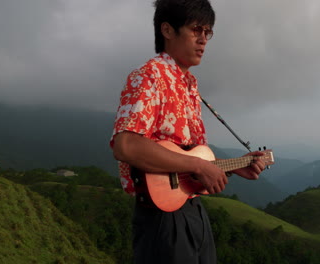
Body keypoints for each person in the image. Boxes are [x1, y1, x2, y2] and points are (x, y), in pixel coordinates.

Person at [110, 0, 266, 263]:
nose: (204, 40)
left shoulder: (190, 86)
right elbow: (126, 145)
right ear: (168, 30)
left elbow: (185, 160)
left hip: (192, 208)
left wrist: (232, 166)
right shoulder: (150, 76)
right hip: (161, 217)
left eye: (208, 32)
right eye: (196, 30)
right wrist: (199, 166)